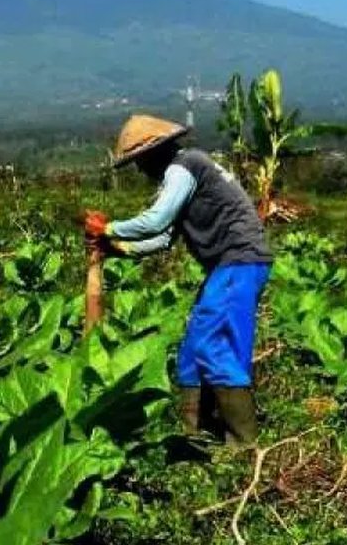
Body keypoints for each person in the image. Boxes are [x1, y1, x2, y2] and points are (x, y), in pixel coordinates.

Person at [86, 115, 272, 447]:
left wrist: (109, 229)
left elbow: (155, 221)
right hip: (229, 266)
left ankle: (243, 444)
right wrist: (119, 249)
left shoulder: (183, 167)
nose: (140, 170)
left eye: (139, 162)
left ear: (153, 153)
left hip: (238, 261)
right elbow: (163, 239)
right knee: (192, 350)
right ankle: (194, 433)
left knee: (215, 345)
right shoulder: (183, 175)